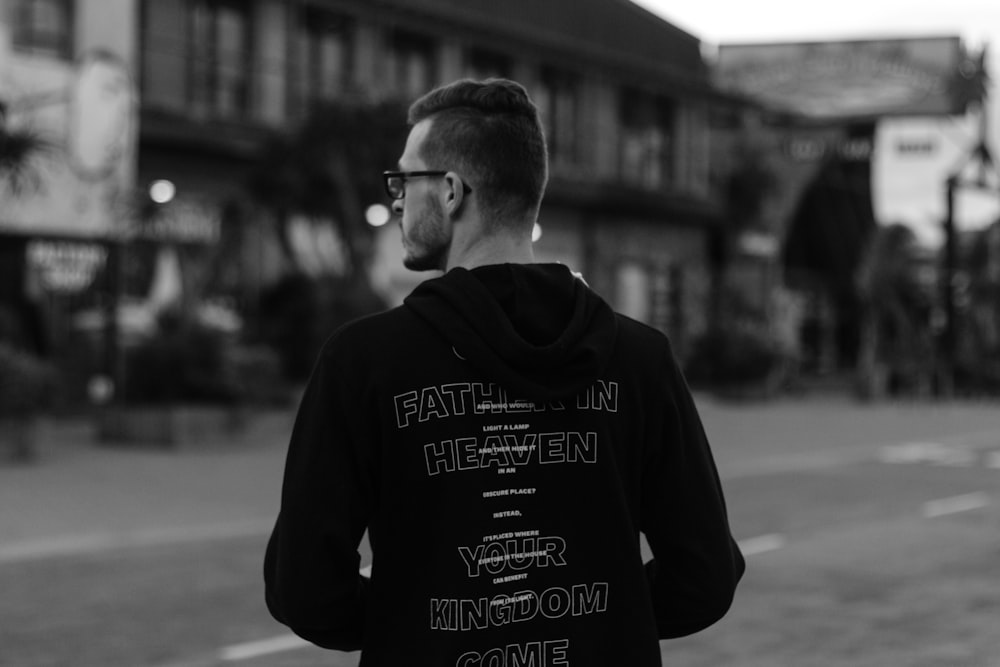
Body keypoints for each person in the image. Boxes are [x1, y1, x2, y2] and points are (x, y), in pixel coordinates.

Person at [264, 78, 744, 666]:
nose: (394, 198)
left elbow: (305, 587)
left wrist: (414, 624)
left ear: (449, 191)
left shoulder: (365, 361)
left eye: (404, 179)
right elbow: (705, 576)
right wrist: (605, 623)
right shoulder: (641, 359)